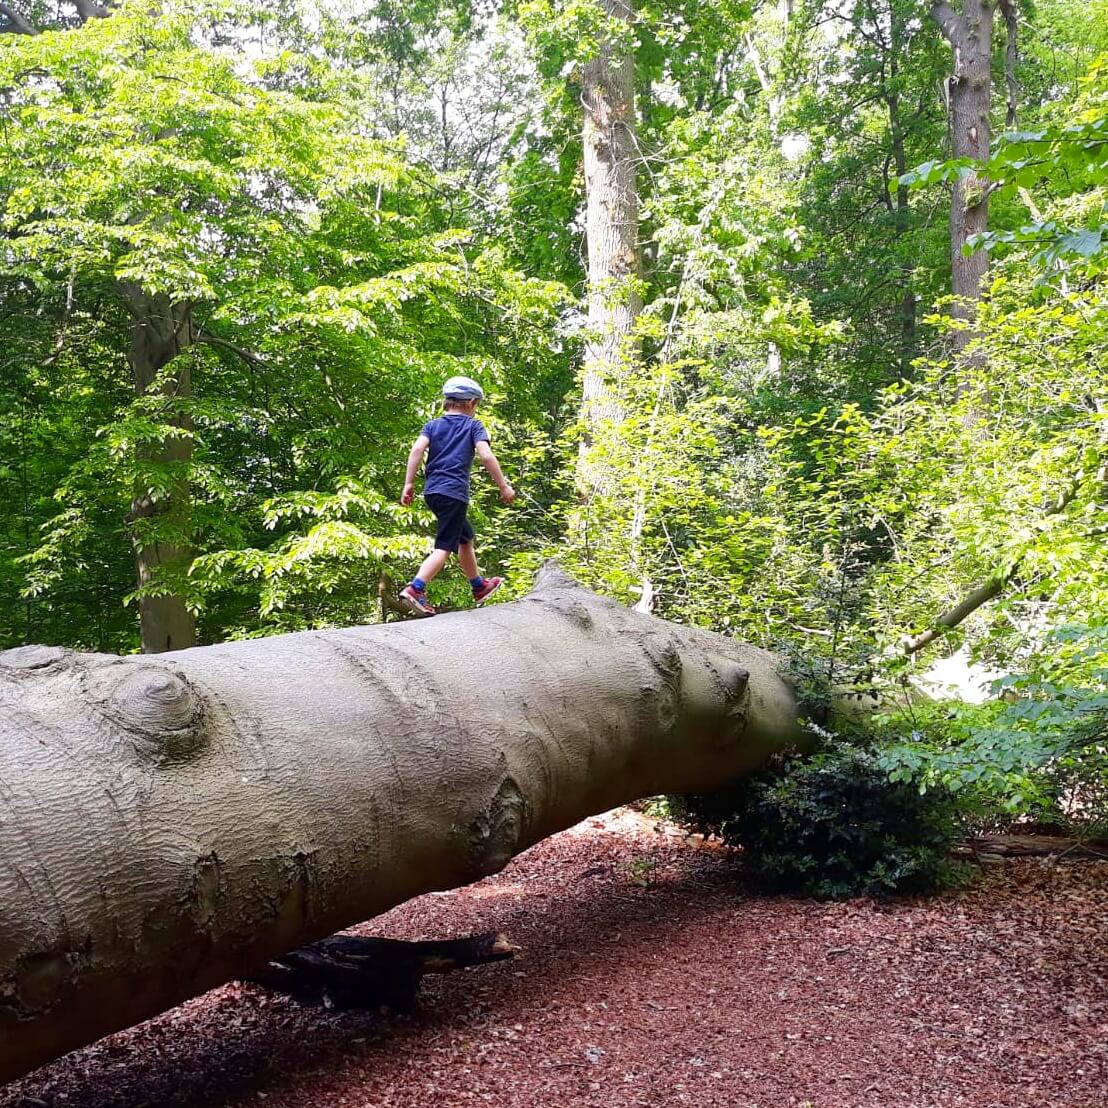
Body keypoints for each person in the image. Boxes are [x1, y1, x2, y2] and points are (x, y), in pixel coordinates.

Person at [398, 375, 516, 616]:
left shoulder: (432, 425)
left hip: (433, 491)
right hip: (454, 493)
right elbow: (485, 455)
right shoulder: (474, 426)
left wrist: (409, 483)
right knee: (444, 546)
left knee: (465, 538)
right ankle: (416, 588)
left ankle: (478, 586)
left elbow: (417, 449)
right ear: (472, 403)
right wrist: (503, 486)